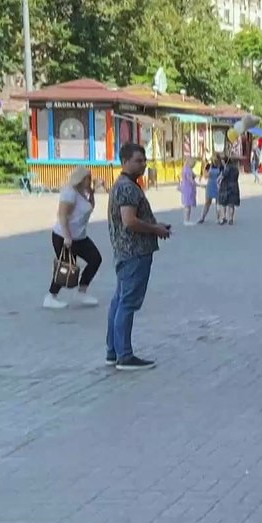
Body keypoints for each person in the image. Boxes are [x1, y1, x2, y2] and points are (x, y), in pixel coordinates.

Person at [106, 143, 171, 371]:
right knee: (127, 303)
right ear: (124, 161)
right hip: (134, 252)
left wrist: (155, 224)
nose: (143, 165)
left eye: (144, 161)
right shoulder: (127, 188)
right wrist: (155, 230)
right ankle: (124, 355)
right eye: (138, 161)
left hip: (126, 251)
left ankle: (113, 351)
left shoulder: (126, 185)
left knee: (119, 300)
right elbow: (129, 220)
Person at [44, 166, 102, 310]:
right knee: (66, 267)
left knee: (95, 259)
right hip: (64, 236)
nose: (90, 180)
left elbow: (89, 208)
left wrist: (92, 193)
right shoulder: (69, 193)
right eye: (88, 178)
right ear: (81, 179)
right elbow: (62, 215)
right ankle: (50, 296)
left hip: (80, 237)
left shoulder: (82, 192)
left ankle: (82, 292)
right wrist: (67, 236)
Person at [218, 155, 241, 225]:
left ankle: (224, 217)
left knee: (223, 203)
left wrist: (218, 179)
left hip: (226, 186)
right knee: (231, 204)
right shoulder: (236, 168)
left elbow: (223, 175)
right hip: (234, 185)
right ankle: (231, 219)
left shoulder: (227, 168)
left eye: (222, 161)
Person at [199, 154, 222, 224]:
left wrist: (205, 171)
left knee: (209, 203)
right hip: (216, 185)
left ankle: (202, 218)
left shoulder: (210, 166)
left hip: (212, 185)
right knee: (215, 203)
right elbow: (205, 176)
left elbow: (205, 176)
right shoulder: (218, 166)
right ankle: (216, 218)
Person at [179, 158, 198, 226]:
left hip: (185, 188)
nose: (194, 166)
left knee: (187, 205)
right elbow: (190, 180)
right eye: (193, 164)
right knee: (188, 205)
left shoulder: (184, 168)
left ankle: (186, 219)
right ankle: (186, 220)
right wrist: (197, 184)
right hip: (188, 188)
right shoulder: (188, 170)